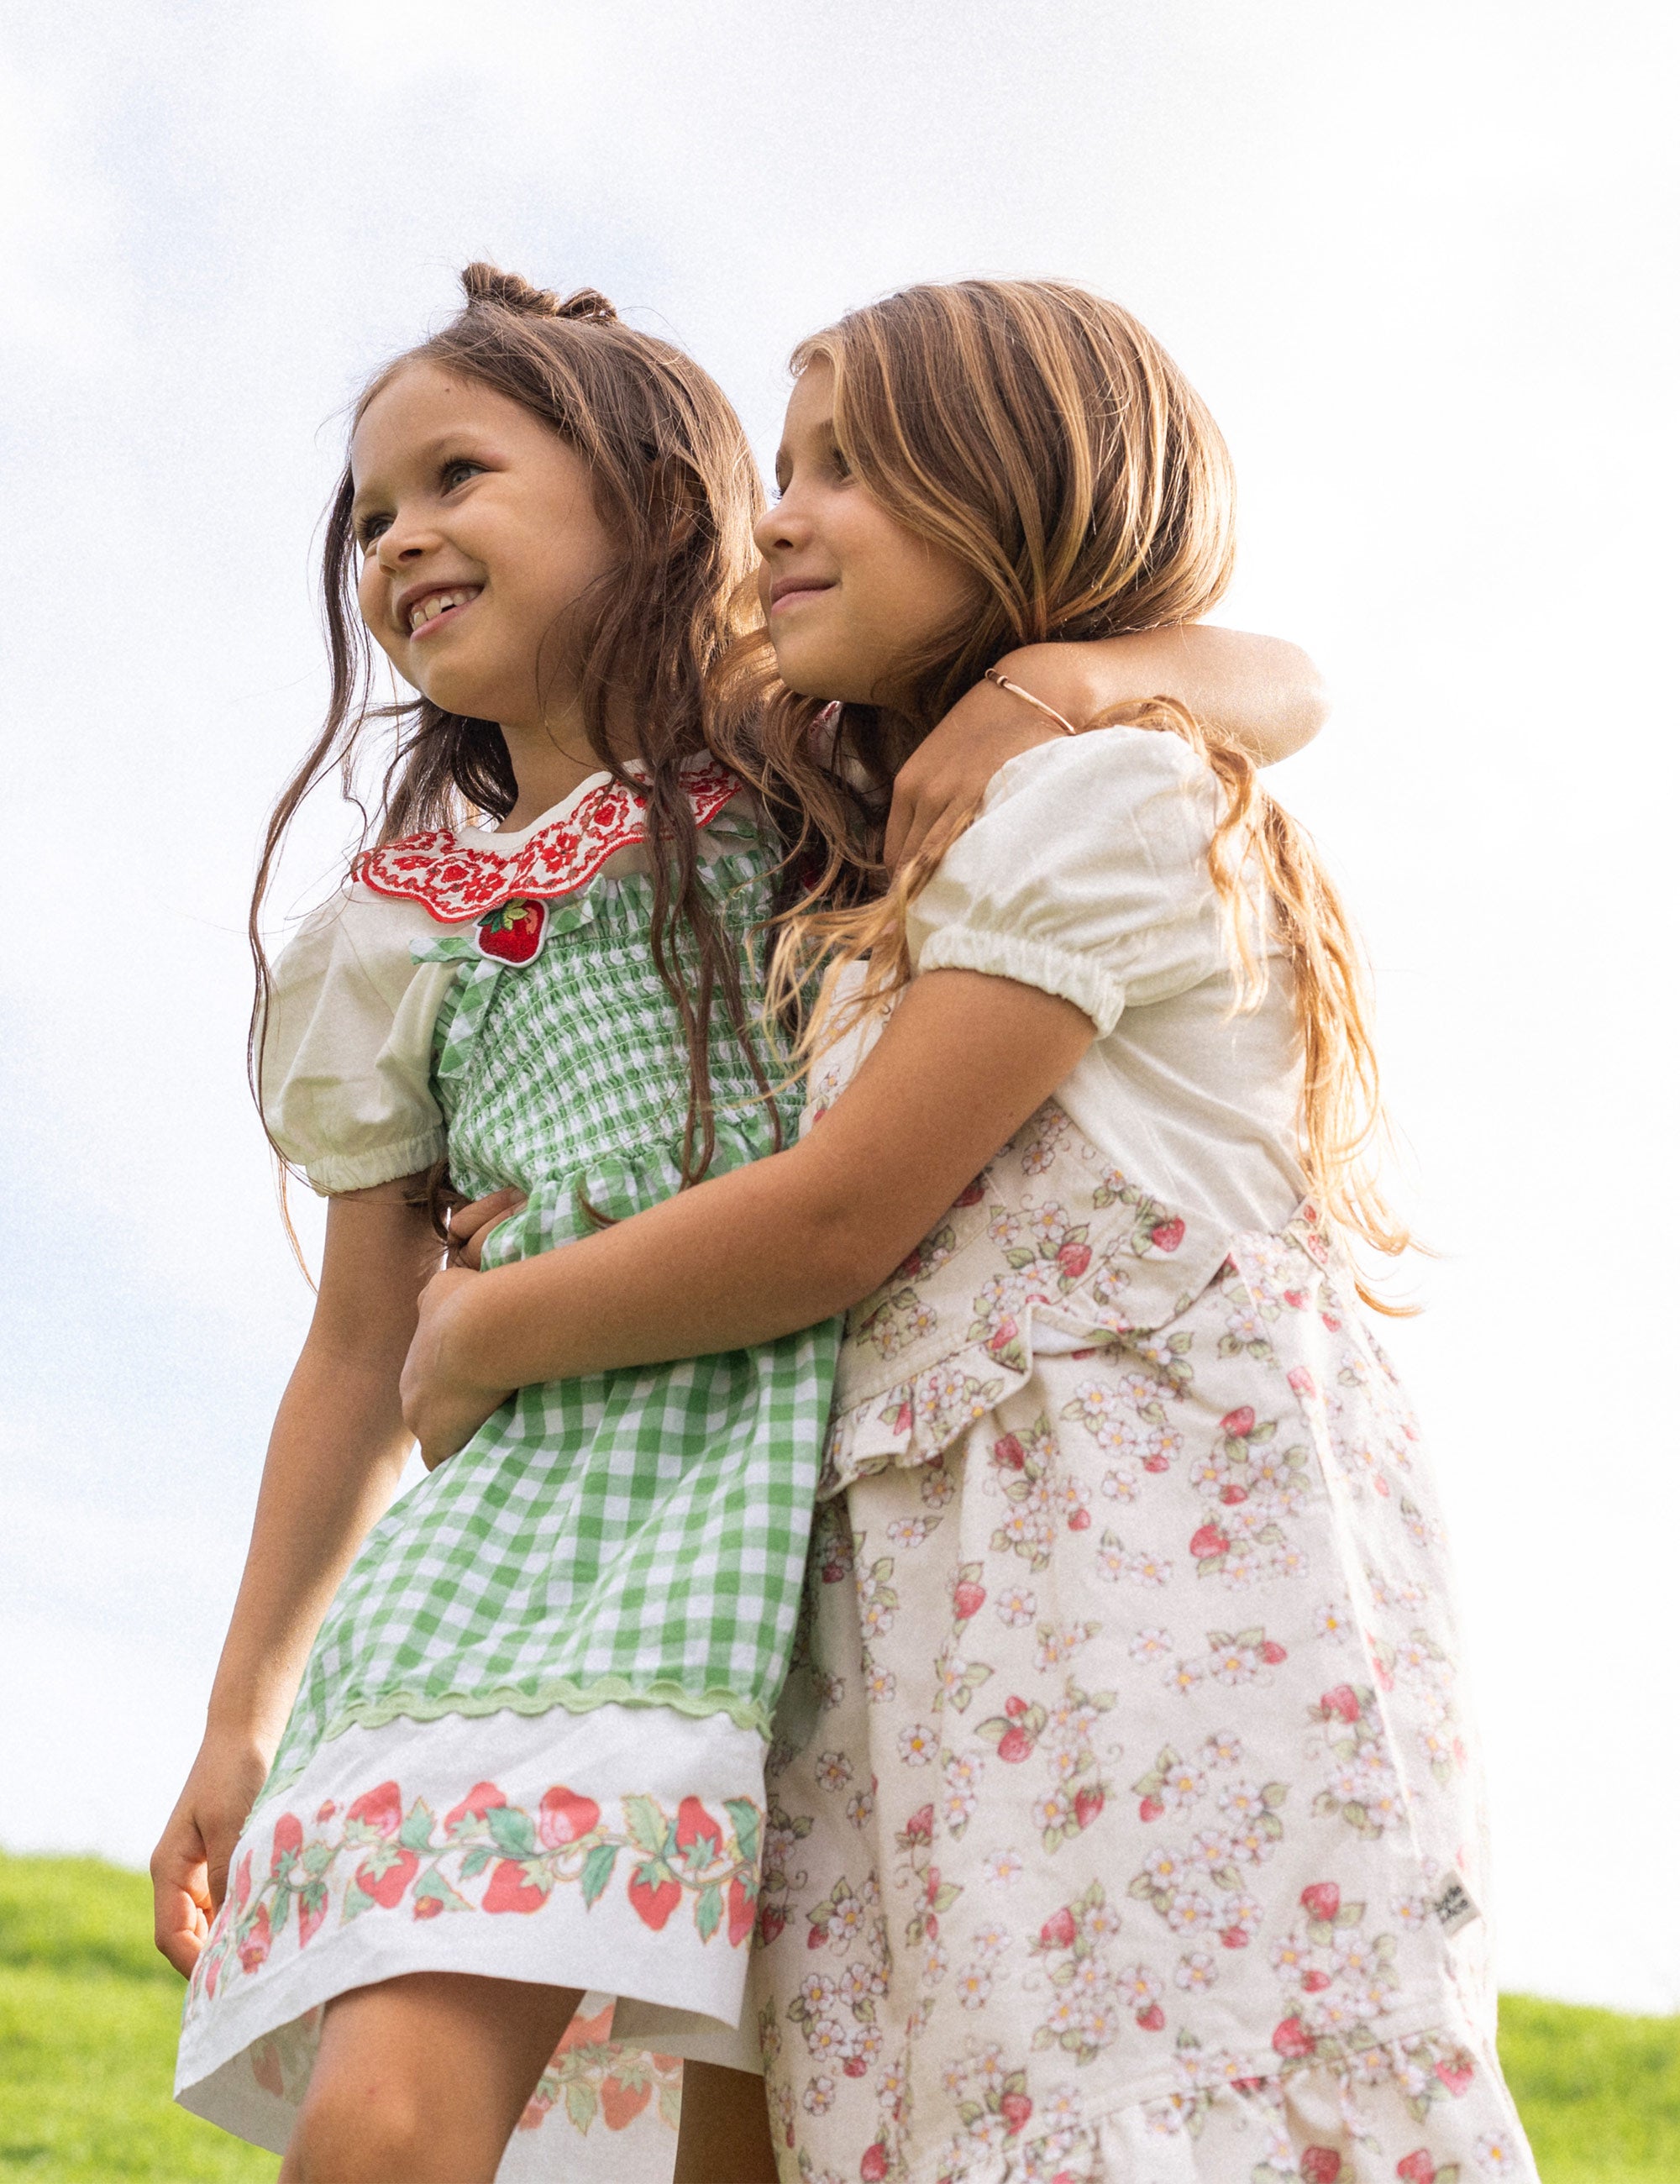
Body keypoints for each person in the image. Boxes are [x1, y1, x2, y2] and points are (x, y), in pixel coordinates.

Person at [153, 262, 1326, 2184]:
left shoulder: (820, 771)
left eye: (455, 475)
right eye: (371, 515)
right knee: (387, 2111)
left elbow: (1270, 681)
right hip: (531, 1534)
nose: (403, 539)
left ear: (654, 500)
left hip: (817, 1527)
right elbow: (361, 1343)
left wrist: (1051, 681)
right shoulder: (387, 936)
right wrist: (236, 1711)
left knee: (775, 2126)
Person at [407, 280, 1539, 2183]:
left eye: (850, 463)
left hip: (1142, 1641)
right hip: (937, 1660)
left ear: (1026, 489)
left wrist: (480, 1327)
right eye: (782, 466)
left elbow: (838, 1219)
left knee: (1150, 2102)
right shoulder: (888, 847)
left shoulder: (1108, 790)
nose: (782, 513)